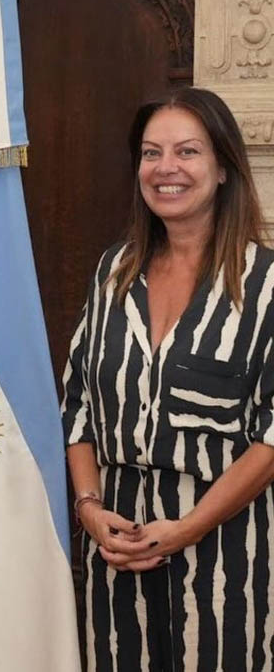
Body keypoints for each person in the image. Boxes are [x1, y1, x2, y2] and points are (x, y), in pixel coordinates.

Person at [62, 87, 274, 672]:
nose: (166, 168)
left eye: (187, 151)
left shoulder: (265, 285)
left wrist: (185, 530)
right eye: (152, 153)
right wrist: (88, 507)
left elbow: (272, 438)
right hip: (116, 554)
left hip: (225, 559)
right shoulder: (112, 271)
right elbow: (78, 405)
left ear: (224, 168)